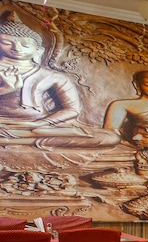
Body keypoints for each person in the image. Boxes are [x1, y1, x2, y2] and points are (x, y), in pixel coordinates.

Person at [0, 10, 118, 149]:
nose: (17, 48)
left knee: (109, 137)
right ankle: (19, 137)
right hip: (4, 123)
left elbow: (72, 110)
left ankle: (17, 139)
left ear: (39, 50)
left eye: (25, 45)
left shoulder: (53, 76)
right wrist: (7, 89)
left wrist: (39, 123)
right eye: (7, 43)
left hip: (39, 125)